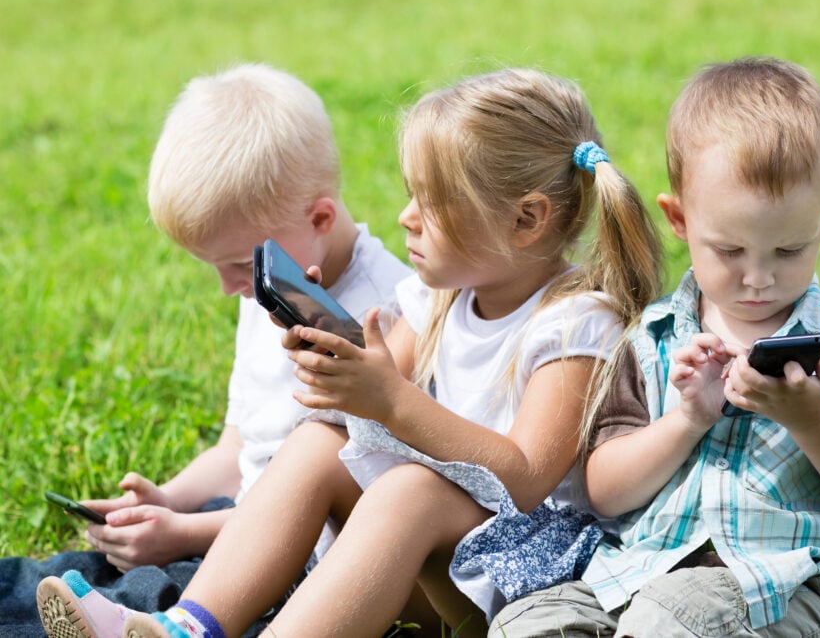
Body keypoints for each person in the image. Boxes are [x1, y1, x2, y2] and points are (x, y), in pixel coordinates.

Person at [52, 67, 667, 638]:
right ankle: (190, 626)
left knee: (409, 490)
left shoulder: (574, 322)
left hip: (521, 573)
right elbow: (363, 400)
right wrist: (330, 362)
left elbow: (528, 478)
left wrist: (392, 402)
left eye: (430, 203)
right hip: (428, 556)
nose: (405, 218)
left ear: (526, 219)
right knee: (320, 438)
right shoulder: (441, 298)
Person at [490, 56, 820, 637]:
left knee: (675, 616)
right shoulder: (651, 338)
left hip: (789, 584)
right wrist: (687, 418)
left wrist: (812, 421)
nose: (759, 277)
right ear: (680, 219)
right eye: (730, 251)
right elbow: (604, 493)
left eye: (789, 251)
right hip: (638, 570)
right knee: (528, 622)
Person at [19, 63, 411, 638]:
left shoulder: (386, 318)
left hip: (308, 561)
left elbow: (346, 501)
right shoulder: (274, 288)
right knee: (50, 579)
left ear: (321, 217)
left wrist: (183, 534)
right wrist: (167, 502)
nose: (229, 287)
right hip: (236, 524)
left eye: (236, 265)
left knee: (125, 595)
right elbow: (240, 443)